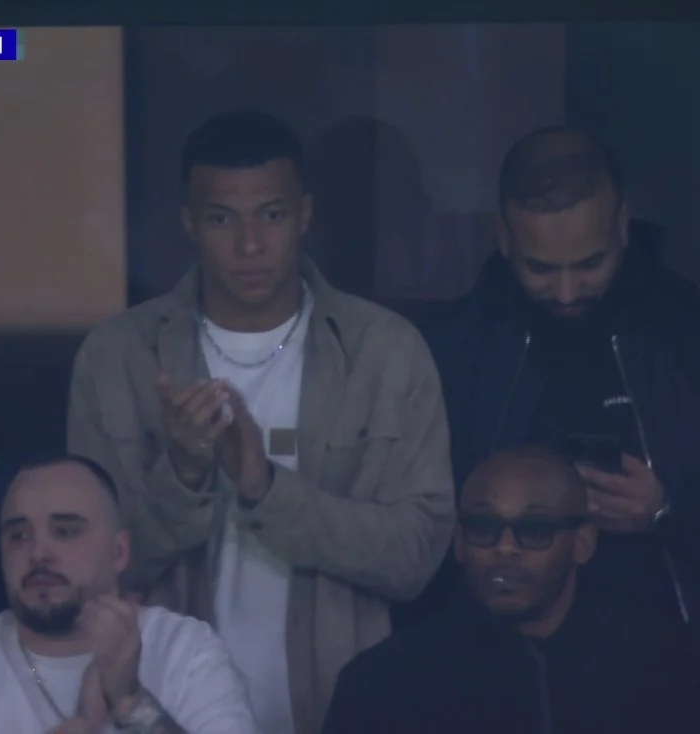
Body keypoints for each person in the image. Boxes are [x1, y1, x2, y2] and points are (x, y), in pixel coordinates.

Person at [66, 110, 455, 733]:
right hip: (163, 709)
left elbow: (416, 558)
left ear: (304, 215)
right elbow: (87, 574)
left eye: (271, 216)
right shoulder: (117, 356)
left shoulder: (385, 352)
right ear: (189, 223)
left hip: (338, 708)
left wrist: (265, 488)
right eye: (223, 219)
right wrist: (183, 473)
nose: (250, 246)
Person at [415, 126, 700, 628]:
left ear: (623, 226)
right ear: (503, 238)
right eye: (541, 269)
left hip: (668, 642)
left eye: (590, 264)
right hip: (493, 647)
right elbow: (419, 526)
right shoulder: (453, 348)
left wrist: (667, 510)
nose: (567, 293)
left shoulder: (685, 333)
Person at [324, 446, 700, 734]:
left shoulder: (666, 667)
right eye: (484, 528)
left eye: (534, 530)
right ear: (458, 542)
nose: (505, 548)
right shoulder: (385, 680)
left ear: (583, 544)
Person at [0, 454, 259, 734]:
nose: (38, 553)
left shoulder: (186, 651)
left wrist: (131, 702)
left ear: (119, 552)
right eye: (19, 535)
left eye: (66, 531)